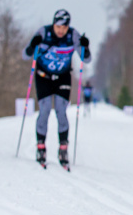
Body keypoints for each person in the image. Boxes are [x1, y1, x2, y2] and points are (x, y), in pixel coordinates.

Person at [23, 9, 91, 169]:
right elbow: (25, 55)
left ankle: (63, 148)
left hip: (62, 77)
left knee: (61, 111)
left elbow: (86, 59)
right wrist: (33, 45)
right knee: (45, 110)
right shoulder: (44, 33)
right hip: (43, 77)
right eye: (58, 26)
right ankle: (41, 147)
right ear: (53, 24)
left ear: (68, 27)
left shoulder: (72, 35)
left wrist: (85, 48)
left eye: (64, 27)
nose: (60, 31)